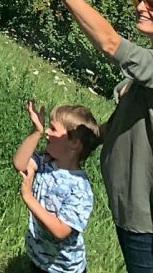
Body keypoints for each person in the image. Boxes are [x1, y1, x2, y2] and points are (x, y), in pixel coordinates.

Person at [25, 0, 153, 273]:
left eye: (151, 2)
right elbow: (113, 129)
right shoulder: (147, 66)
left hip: (146, 220)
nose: (140, 6)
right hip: (129, 211)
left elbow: (110, 44)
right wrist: (66, 138)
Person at [12, 98, 100, 272]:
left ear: (74, 144)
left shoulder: (80, 188)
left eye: (53, 129)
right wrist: (35, 131)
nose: (47, 132)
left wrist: (28, 197)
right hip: (39, 257)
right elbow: (20, 164)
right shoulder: (45, 161)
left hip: (64, 268)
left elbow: (60, 231)